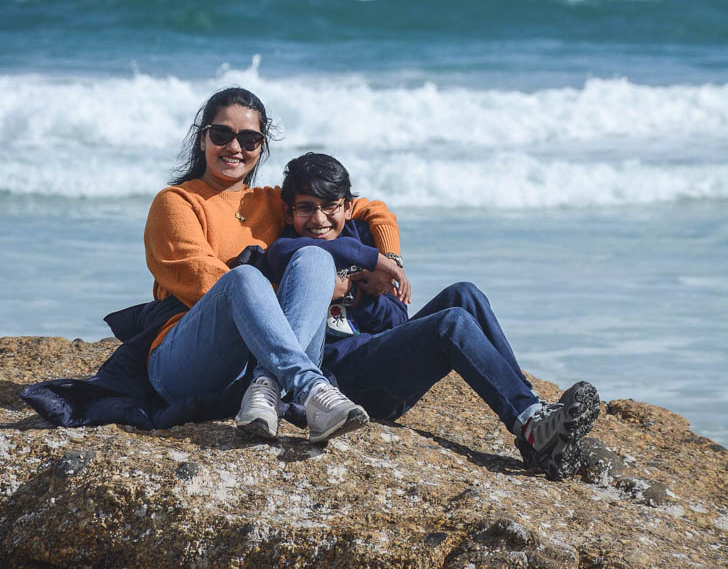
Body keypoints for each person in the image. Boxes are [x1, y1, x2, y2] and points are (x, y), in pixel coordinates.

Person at [265, 152, 600, 481]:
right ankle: (531, 425)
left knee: (464, 294)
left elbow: (397, 323)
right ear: (288, 211)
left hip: (382, 363)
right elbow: (282, 258)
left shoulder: (363, 235)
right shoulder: (289, 251)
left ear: (348, 207)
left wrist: (364, 296)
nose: (318, 219)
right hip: (344, 382)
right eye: (306, 207)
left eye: (329, 207)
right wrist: (356, 277)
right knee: (449, 323)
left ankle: (533, 416)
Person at [143, 87, 405, 444]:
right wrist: (318, 291)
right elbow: (205, 281)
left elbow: (366, 208)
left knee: (314, 255)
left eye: (249, 139)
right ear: (202, 139)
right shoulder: (176, 203)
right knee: (244, 277)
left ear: (261, 147)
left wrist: (387, 257)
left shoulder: (269, 201)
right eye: (222, 135)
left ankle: (267, 385)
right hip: (189, 362)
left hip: (260, 362)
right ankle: (312, 387)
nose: (235, 148)